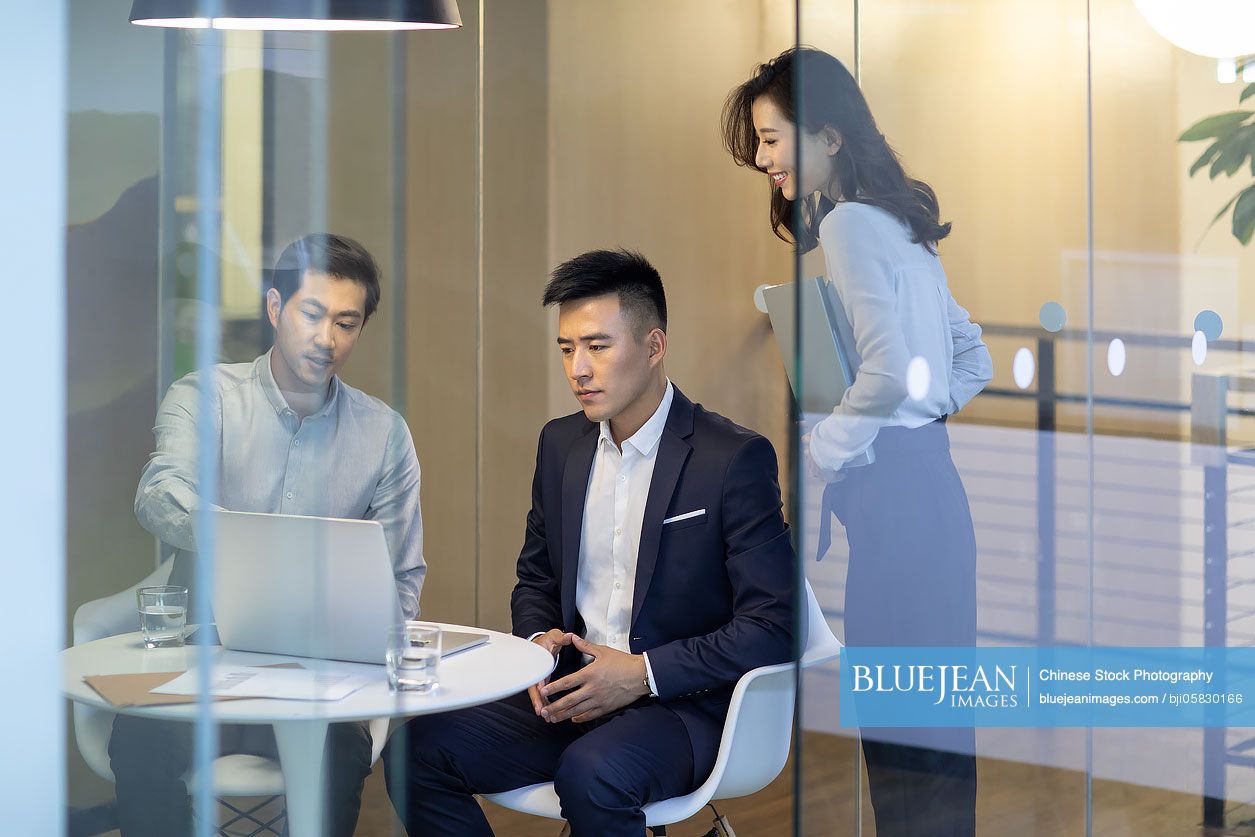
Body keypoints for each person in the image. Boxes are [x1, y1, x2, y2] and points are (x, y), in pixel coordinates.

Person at [381, 249, 795, 836]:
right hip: (573, 692)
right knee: (412, 753)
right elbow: (537, 579)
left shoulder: (731, 458)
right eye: (567, 348)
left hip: (682, 705)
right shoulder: (561, 445)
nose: (578, 368)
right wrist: (538, 639)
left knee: (592, 774)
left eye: (598, 346)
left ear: (654, 347)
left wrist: (642, 672)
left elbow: (775, 625)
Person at [723, 47, 993, 837]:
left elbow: (880, 372)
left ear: (829, 138)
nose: (764, 159)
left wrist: (823, 450)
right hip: (933, 492)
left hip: (897, 506)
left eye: (773, 140)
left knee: (901, 732)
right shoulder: (900, 220)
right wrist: (922, 414)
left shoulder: (844, 224)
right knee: (938, 730)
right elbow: (962, 357)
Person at [110, 233, 426, 837]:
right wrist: (245, 542)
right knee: (141, 741)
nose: (326, 339)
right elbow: (157, 491)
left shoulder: (383, 434)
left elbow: (402, 578)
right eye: (312, 314)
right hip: (204, 660)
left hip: (320, 673)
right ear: (276, 307)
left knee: (338, 760)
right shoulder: (206, 398)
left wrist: (369, 630)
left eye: (346, 322)